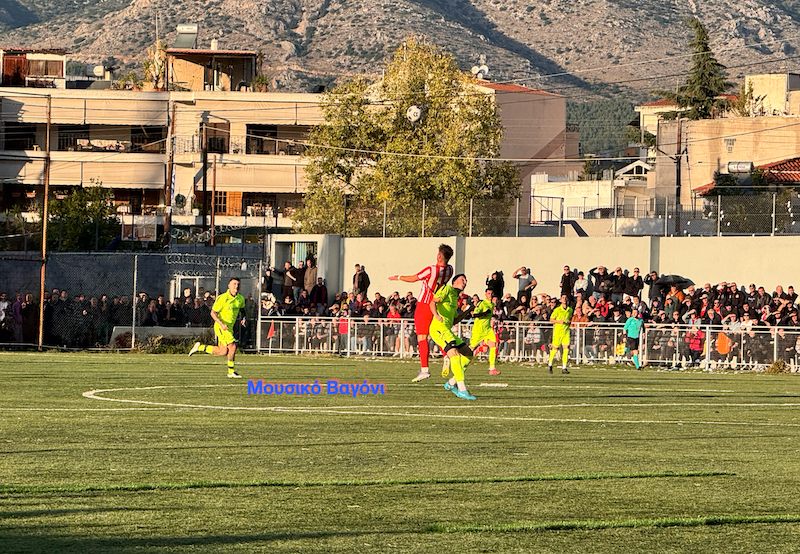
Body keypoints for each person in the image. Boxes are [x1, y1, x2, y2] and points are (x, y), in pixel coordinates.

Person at [389, 243, 454, 382]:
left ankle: (425, 370)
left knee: (422, 338)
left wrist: (398, 277)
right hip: (437, 305)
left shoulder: (431, 269)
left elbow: (413, 278)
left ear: (439, 256)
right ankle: (446, 354)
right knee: (437, 335)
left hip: (424, 305)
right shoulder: (450, 270)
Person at [430, 274, 476, 400]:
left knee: (468, 354)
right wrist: (436, 315)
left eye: (466, 281)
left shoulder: (455, 298)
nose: (464, 282)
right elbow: (432, 302)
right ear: (454, 282)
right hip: (439, 329)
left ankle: (451, 383)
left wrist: (469, 311)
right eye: (462, 280)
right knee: (455, 355)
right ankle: (462, 389)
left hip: (447, 330)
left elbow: (455, 320)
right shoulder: (447, 289)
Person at [188, 277, 246, 378]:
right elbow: (213, 313)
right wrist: (221, 323)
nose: (236, 286)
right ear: (229, 285)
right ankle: (231, 372)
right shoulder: (223, 298)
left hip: (229, 328)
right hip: (221, 326)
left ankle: (200, 347)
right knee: (232, 346)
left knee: (222, 352)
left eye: (238, 284)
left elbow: (242, 310)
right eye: (234, 284)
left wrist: (243, 318)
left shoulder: (240, 298)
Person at [470, 288, 500, 375]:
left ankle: (492, 368)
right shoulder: (482, 303)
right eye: (488, 293)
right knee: (471, 348)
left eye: (491, 293)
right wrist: (484, 313)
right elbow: (475, 315)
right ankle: (460, 361)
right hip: (479, 330)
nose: (490, 295)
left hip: (487, 329)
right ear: (485, 294)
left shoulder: (492, 304)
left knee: (493, 345)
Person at [548, 294, 574, 374]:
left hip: (566, 332)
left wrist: (569, 322)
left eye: (566, 298)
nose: (564, 299)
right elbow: (551, 319)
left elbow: (570, 318)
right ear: (560, 300)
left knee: (566, 349)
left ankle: (564, 367)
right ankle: (550, 363)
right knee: (555, 349)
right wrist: (559, 322)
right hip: (558, 332)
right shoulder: (557, 310)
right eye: (563, 298)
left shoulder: (570, 310)